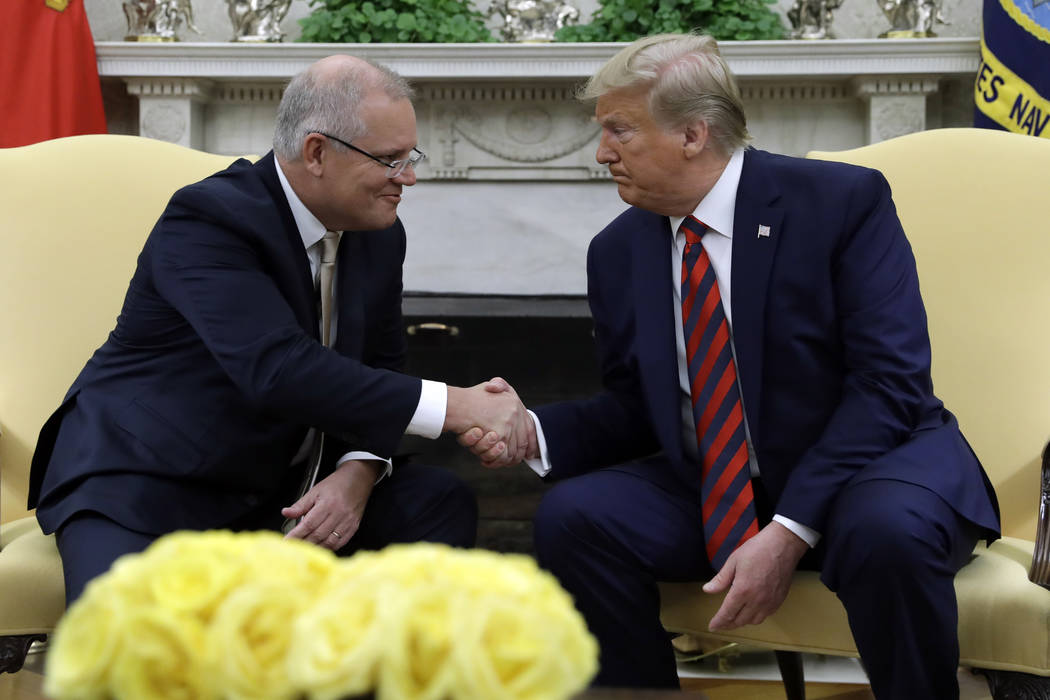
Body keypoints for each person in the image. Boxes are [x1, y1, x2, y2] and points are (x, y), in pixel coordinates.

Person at [462, 33, 1000, 698]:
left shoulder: (840, 203)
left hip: (873, 465)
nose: (602, 152)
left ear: (693, 133)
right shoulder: (618, 250)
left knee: (884, 532)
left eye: (619, 130)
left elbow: (887, 387)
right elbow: (637, 409)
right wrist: (531, 431)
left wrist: (788, 530)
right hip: (723, 483)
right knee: (577, 518)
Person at [28, 55, 532, 605]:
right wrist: (461, 408)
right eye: (390, 160)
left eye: (409, 156)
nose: (408, 177)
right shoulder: (209, 219)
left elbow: (381, 369)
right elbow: (276, 368)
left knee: (437, 502)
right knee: (134, 658)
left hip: (281, 492)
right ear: (317, 152)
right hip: (148, 484)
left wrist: (356, 474)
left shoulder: (379, 233)